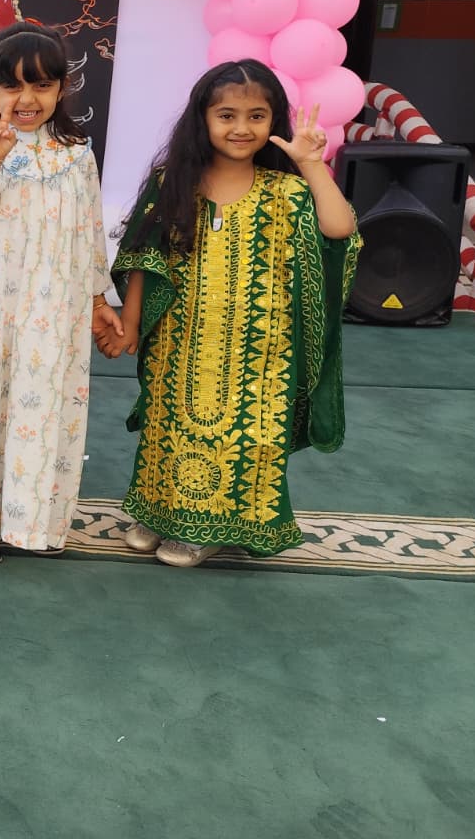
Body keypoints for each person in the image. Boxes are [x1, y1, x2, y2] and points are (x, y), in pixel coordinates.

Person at [96, 59, 360, 568]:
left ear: (274, 120)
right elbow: (143, 257)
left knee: (246, 439)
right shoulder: (172, 182)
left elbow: (339, 230)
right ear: (203, 119)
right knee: (167, 428)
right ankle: (159, 514)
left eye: (256, 116)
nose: (241, 128)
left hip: (260, 353)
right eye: (227, 115)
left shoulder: (286, 191)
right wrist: (130, 323)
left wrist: (311, 165)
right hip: (179, 341)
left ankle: (210, 529)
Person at [0, 25, 119, 563]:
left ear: (62, 88)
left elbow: (90, 234)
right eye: (12, 86)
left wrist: (98, 301)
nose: (27, 99)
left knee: (42, 410)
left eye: (42, 86)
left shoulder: (77, 157)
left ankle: (32, 524)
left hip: (52, 313)